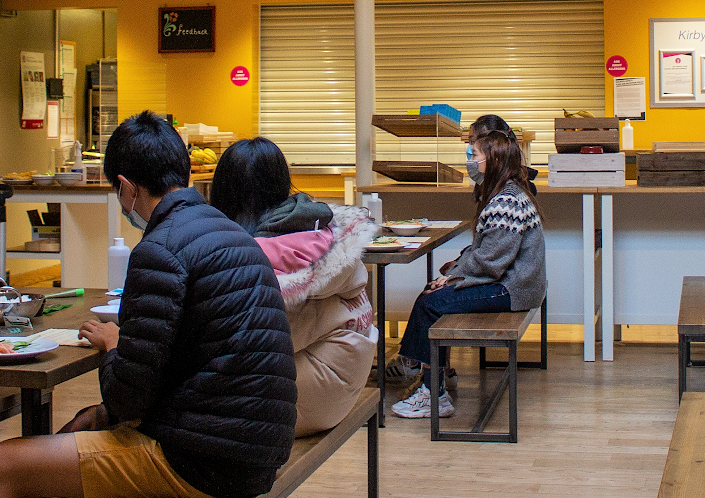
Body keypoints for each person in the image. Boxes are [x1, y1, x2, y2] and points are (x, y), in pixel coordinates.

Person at [0, 112, 296, 498]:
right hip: (253, 443)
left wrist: (114, 346)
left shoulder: (158, 250)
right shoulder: (228, 232)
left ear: (124, 188)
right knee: (84, 425)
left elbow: (128, 397)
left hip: (206, 460)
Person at [209, 136, 379, 436]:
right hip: (340, 382)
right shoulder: (315, 227)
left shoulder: (257, 256)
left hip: (310, 398)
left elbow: (255, 344)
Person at [389, 130, 546, 419]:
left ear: (493, 160)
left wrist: (454, 278)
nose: (470, 162)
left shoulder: (505, 202)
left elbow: (491, 262)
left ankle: (431, 391)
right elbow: (484, 250)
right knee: (432, 295)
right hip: (512, 283)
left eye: (474, 156)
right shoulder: (506, 193)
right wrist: (457, 268)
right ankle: (433, 375)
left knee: (430, 303)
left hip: (512, 288)